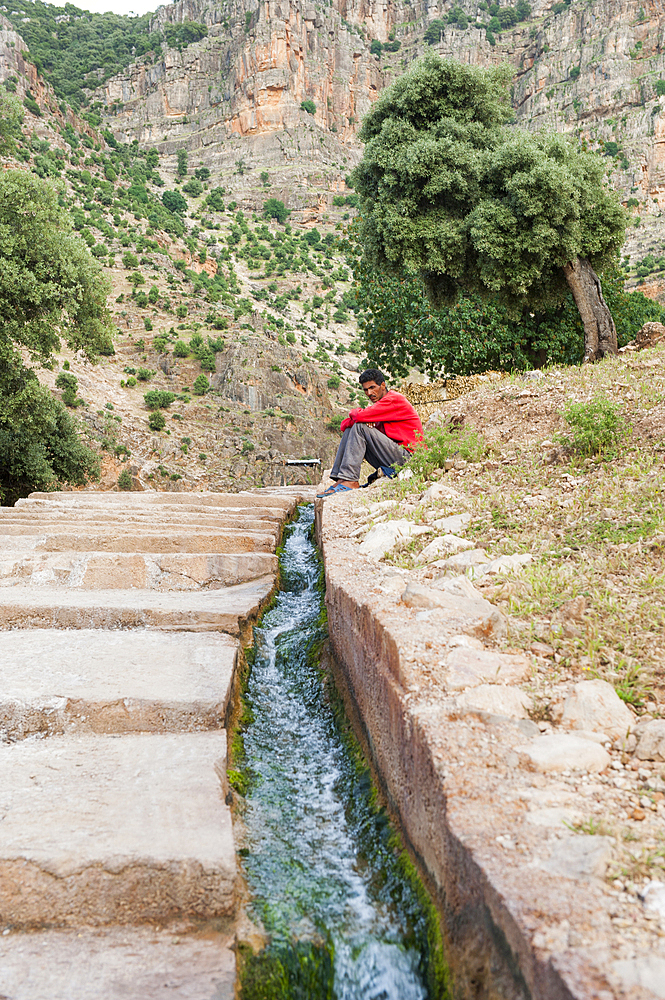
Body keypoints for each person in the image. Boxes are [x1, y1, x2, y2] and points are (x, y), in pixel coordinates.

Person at [317, 368, 423, 498]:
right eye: (366, 390)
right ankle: (341, 479)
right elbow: (344, 425)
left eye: (373, 387)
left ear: (383, 385)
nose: (369, 393)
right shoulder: (380, 406)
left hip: (409, 458)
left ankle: (350, 480)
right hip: (392, 455)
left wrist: (358, 413)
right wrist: (360, 418)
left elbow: (358, 418)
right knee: (353, 429)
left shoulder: (394, 400)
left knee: (360, 427)